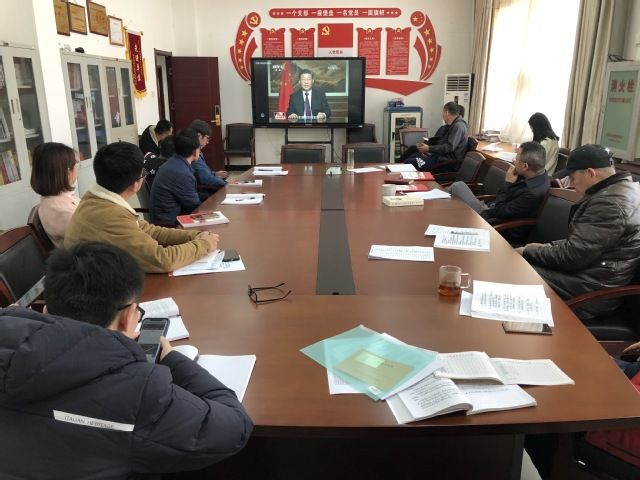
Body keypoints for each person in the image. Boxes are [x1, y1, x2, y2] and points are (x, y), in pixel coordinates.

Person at [0, 242, 253, 478]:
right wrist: (171, 358)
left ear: (46, 309)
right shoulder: (135, 391)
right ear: (128, 317)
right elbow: (234, 426)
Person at [516, 144, 640, 319]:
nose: (571, 184)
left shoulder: (610, 204)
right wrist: (546, 247)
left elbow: (574, 255)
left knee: (517, 269)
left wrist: (528, 251)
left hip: (591, 291)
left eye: (573, 178)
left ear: (590, 173)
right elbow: (583, 244)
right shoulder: (623, 190)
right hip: (590, 275)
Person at [64, 141, 218, 273]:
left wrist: (196, 235)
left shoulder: (95, 198)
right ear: (135, 184)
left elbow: (148, 230)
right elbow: (162, 260)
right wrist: (203, 244)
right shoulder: (110, 216)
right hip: (100, 292)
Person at [449, 141, 550, 244]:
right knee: (458, 191)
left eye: (516, 159)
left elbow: (500, 211)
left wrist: (508, 184)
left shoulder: (531, 193)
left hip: (496, 223)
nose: (513, 161)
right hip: (494, 209)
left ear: (525, 166)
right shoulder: (540, 176)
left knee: (457, 187)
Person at [29, 142, 80, 248]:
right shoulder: (62, 213)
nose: (77, 169)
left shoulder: (52, 200)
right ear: (67, 172)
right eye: (75, 165)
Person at [150, 128, 202, 225]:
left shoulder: (174, 162)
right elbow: (194, 207)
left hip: (168, 217)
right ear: (195, 151)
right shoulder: (182, 173)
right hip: (169, 224)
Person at [403, 102, 468, 172]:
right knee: (412, 156)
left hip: (446, 163)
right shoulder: (454, 125)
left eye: (443, 113)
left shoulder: (458, 126)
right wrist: (428, 147)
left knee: (408, 163)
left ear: (446, 113)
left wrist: (428, 148)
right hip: (439, 157)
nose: (442, 116)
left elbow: (449, 147)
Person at [189, 119, 229, 196]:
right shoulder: (193, 153)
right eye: (207, 138)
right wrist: (227, 184)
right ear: (199, 136)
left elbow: (202, 172)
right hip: (201, 192)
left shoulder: (197, 151)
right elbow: (206, 179)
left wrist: (214, 174)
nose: (207, 142)